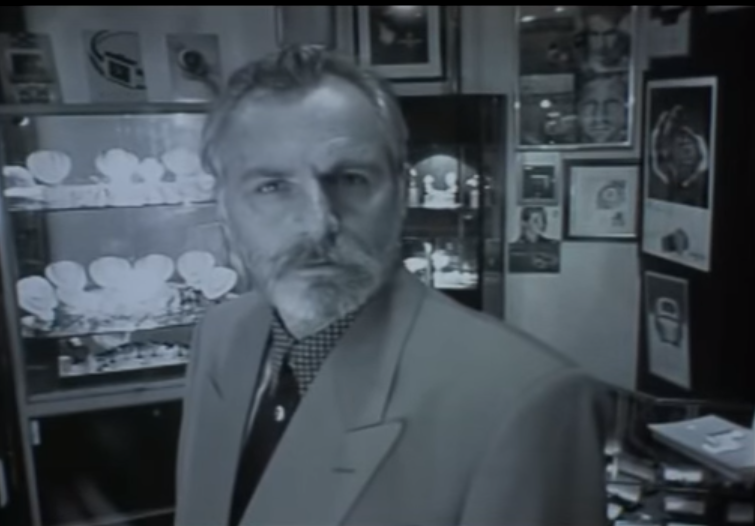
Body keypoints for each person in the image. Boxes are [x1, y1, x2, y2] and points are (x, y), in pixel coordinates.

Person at [175, 45, 609, 526]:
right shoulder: (219, 335)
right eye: (272, 186)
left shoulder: (527, 403)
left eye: (351, 179)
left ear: (402, 193)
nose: (318, 223)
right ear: (223, 207)